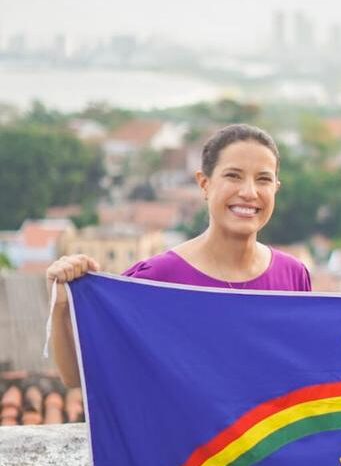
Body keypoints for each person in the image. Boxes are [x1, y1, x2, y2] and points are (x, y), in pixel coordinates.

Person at [47, 124, 311, 388]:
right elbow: (77, 377)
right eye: (233, 176)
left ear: (276, 188)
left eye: (263, 179)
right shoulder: (155, 279)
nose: (249, 192)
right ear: (204, 183)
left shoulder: (292, 276)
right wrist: (61, 309)